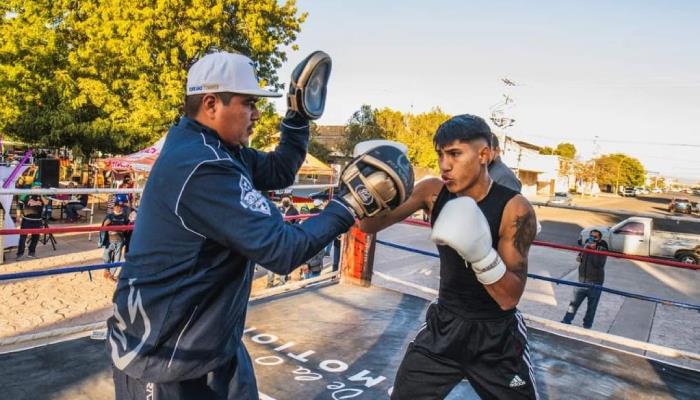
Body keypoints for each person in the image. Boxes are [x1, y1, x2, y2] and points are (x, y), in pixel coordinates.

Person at [106, 51, 411, 400]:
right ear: (211, 104)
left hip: (213, 345)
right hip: (162, 356)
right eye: (249, 103)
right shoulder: (201, 166)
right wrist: (350, 203)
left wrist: (296, 118)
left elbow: (280, 170)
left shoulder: (219, 150)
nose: (256, 114)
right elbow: (283, 251)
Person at [360, 114, 539, 399]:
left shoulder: (514, 208)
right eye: (440, 154)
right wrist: (367, 193)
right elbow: (370, 226)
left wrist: (480, 253)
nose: (444, 165)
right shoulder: (433, 192)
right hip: (443, 326)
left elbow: (509, 297)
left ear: (484, 154)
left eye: (455, 154)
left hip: (497, 338)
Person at [561, 229, 608, 329]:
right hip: (582, 280)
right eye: (591, 236)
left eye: (595, 237)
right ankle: (566, 320)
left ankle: (587, 325)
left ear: (599, 239)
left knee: (591, 307)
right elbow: (578, 259)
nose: (592, 239)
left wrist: (593, 250)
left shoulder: (602, 248)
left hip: (595, 282)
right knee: (573, 303)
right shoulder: (587, 244)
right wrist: (584, 249)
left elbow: (598, 264)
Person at [16, 182, 46, 260]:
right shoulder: (25, 194)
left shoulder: (42, 195)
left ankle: (31, 252)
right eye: (36, 187)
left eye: (39, 187)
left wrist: (41, 195)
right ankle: (20, 254)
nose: (37, 189)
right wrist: (18, 216)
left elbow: (46, 203)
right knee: (23, 238)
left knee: (35, 237)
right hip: (27, 220)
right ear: (32, 187)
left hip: (38, 220)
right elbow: (19, 206)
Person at [100, 201, 129, 281]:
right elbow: (103, 227)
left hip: (119, 241)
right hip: (109, 241)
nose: (119, 208)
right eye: (117, 206)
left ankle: (111, 275)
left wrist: (124, 229)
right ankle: (107, 270)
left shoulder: (124, 216)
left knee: (117, 260)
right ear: (114, 207)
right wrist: (106, 224)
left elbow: (126, 228)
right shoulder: (109, 216)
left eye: (120, 207)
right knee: (106, 257)